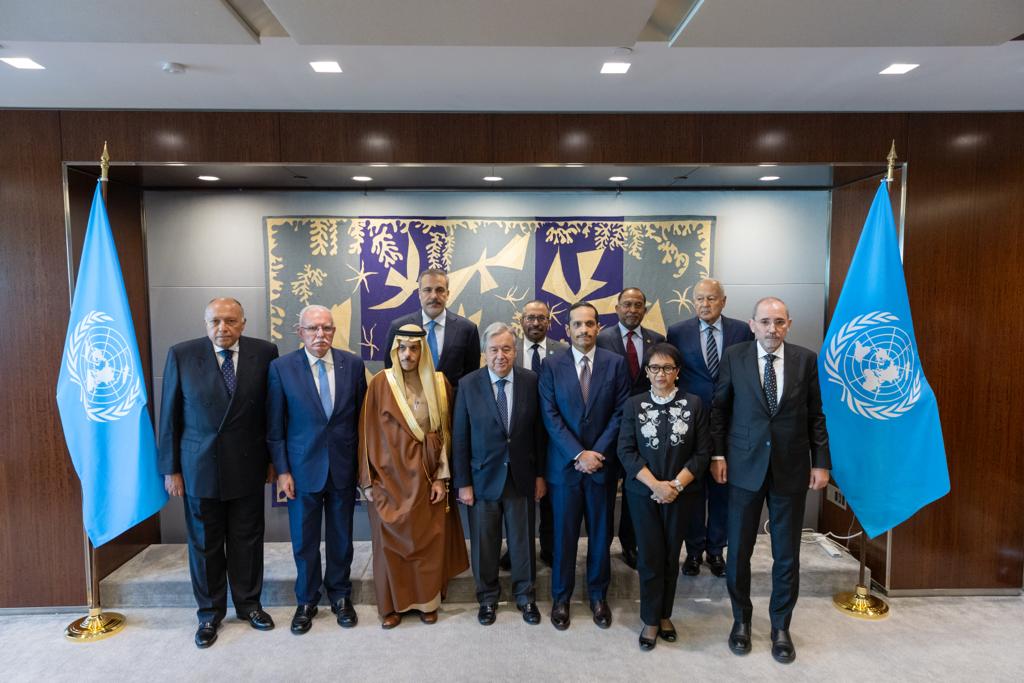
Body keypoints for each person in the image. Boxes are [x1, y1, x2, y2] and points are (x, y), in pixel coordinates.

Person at [710, 297, 831, 665]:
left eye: (779, 322)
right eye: (765, 321)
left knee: (786, 554)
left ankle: (781, 626)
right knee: (738, 551)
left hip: (790, 469)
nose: (772, 328)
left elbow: (816, 415)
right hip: (743, 468)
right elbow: (720, 410)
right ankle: (741, 620)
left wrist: (821, 463)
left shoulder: (805, 359)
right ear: (752, 325)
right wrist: (718, 455)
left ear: (789, 324)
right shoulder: (734, 356)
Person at [157, 297, 278, 649]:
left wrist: (273, 461)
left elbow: (272, 412)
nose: (222, 328)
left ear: (243, 323)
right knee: (204, 544)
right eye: (215, 321)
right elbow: (169, 416)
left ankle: (249, 605)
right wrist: (171, 469)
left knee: (247, 539)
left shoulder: (264, 353)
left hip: (248, 463)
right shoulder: (182, 354)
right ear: (205, 323)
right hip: (198, 466)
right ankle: (209, 613)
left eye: (230, 321)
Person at [359, 324, 469, 629]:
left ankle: (426, 603)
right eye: (402, 348)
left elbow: (445, 435)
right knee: (389, 546)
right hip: (387, 480)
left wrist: (441, 478)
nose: (408, 354)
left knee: (427, 543)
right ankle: (391, 605)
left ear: (424, 351)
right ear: (395, 350)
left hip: (427, 478)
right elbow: (366, 433)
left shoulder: (440, 384)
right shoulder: (380, 383)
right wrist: (367, 481)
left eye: (414, 348)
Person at [266, 305, 367, 634]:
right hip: (301, 470)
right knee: (305, 541)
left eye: (326, 328)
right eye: (313, 329)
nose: (320, 335)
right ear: (300, 332)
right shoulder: (281, 368)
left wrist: (362, 466)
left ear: (334, 331)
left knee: (342, 539)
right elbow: (275, 426)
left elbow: (362, 421)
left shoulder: (353, 364)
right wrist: (282, 471)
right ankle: (307, 600)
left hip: (342, 467)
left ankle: (340, 596)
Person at [539, 302, 630, 631]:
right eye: (577, 324)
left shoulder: (616, 363)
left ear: (598, 327)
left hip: (602, 468)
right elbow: (550, 415)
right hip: (565, 468)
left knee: (601, 536)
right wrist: (579, 454)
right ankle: (561, 598)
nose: (584, 330)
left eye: (589, 324)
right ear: (567, 329)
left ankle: (597, 596)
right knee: (563, 537)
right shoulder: (551, 365)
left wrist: (597, 454)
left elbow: (621, 412)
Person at [618, 343, 711, 650]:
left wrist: (675, 486)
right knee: (650, 556)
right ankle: (650, 619)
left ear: (677, 372)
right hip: (643, 494)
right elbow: (626, 451)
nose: (661, 374)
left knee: (672, 556)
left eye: (668, 368)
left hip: (681, 494)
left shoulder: (694, 403)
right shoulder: (634, 404)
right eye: (655, 368)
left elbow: (702, 453)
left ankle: (665, 614)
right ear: (647, 372)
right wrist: (656, 486)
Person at [452, 323, 546, 626]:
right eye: (494, 349)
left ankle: (525, 597)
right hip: (482, 479)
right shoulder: (468, 384)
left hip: (521, 477)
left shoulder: (531, 381)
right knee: (484, 544)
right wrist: (463, 482)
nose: (500, 355)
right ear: (484, 353)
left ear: (515, 351)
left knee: (523, 543)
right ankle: (487, 599)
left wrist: (540, 475)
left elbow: (539, 433)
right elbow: (460, 437)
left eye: (506, 349)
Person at [667, 278, 753, 578]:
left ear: (723, 301)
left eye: (711, 298)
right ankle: (693, 551)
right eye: (700, 299)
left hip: (730, 421)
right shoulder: (677, 332)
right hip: (691, 422)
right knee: (692, 491)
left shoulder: (742, 331)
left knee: (722, 489)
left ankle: (715, 551)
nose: (705, 304)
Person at [596, 287, 665, 570]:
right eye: (627, 304)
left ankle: (630, 543)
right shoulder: (601, 339)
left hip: (645, 428)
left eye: (638, 305)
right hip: (609, 427)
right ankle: (601, 546)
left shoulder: (657, 340)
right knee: (606, 490)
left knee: (636, 489)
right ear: (617, 308)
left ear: (644, 310)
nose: (632, 310)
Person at [507, 299, 568, 569]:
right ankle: (516, 549)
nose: (535, 323)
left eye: (541, 318)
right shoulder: (510, 350)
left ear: (549, 322)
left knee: (550, 495)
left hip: (553, 434)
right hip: (518, 435)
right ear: (521, 321)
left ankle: (549, 547)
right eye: (530, 317)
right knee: (517, 496)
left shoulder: (563, 351)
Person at [384, 268, 480, 389]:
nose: (434, 296)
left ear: (447, 294)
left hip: (453, 400)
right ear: (419, 294)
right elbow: (391, 369)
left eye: (440, 290)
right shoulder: (399, 327)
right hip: (409, 400)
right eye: (427, 290)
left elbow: (471, 376)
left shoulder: (467, 329)